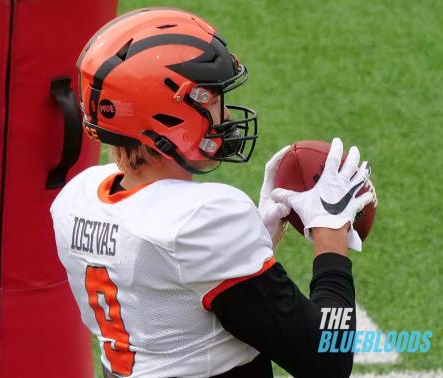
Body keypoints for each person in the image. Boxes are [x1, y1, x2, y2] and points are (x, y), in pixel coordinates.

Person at [50, 7, 375, 378]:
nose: (222, 113)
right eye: (210, 97)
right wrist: (330, 234)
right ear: (167, 117)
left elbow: (172, 290)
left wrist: (255, 243)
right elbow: (327, 359)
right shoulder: (203, 218)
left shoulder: (77, 200)